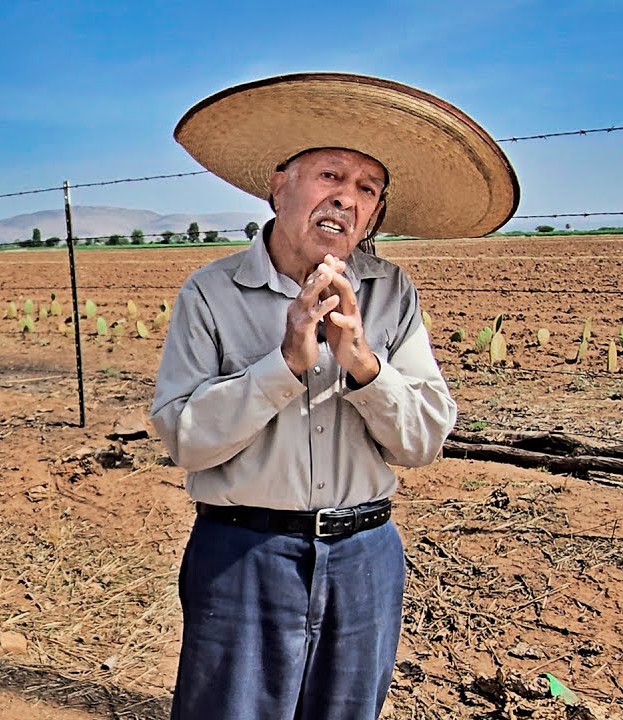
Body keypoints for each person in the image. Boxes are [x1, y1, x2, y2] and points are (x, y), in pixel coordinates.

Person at [151, 73, 518, 719]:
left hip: (364, 557)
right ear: (279, 184)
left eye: (366, 189)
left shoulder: (392, 293)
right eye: (330, 176)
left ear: (374, 212)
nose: (346, 199)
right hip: (243, 554)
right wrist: (287, 362)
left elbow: (422, 442)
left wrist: (362, 362)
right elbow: (186, 438)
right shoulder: (211, 292)